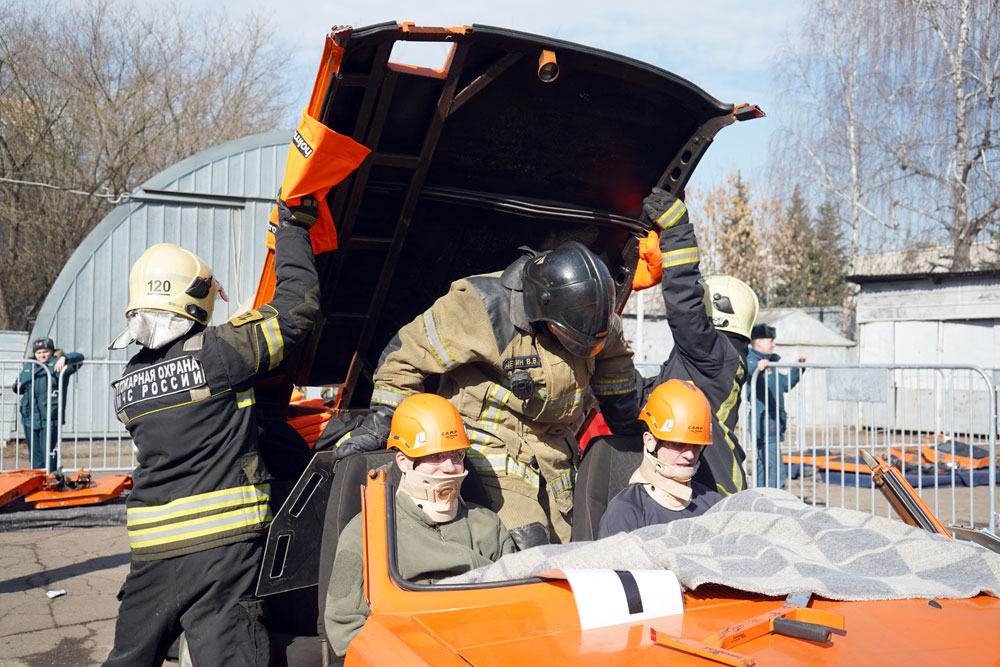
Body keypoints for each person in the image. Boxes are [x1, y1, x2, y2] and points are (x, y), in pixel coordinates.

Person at [102, 193, 321, 667]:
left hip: (152, 552)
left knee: (128, 658)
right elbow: (297, 307)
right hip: (223, 552)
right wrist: (293, 229)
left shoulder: (126, 384)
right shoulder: (221, 353)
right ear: (196, 298)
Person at [332, 242, 642, 544]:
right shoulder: (481, 307)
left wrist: (629, 426)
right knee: (527, 551)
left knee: (581, 551)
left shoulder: (594, 316)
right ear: (543, 305)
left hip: (555, 455)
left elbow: (617, 374)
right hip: (488, 451)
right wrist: (386, 420)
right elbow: (404, 359)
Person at [324, 393, 517, 657]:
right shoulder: (365, 532)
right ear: (404, 462)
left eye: (457, 455)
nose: (450, 468)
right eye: (436, 457)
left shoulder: (487, 525)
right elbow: (344, 628)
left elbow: (518, 606)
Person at [640, 187, 759, 496]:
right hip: (704, 487)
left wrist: (677, 231)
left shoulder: (714, 356)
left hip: (713, 493)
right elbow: (646, 400)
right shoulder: (704, 367)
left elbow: (683, 306)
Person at [598, 379, 723, 538]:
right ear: (650, 442)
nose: (690, 455)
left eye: (697, 445)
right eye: (678, 444)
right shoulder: (626, 511)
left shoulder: (715, 505)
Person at [747, 322, 805, 489]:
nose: (774, 344)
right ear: (758, 342)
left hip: (773, 422)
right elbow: (748, 369)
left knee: (765, 464)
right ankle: (775, 498)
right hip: (764, 422)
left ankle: (761, 496)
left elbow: (785, 385)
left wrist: (796, 370)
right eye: (770, 340)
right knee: (772, 466)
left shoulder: (770, 364)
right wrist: (757, 367)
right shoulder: (751, 360)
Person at [13, 337, 84, 472]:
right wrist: (18, 385)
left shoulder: (59, 365)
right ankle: (37, 479)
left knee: (48, 452)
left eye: (45, 351)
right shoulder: (28, 367)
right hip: (29, 417)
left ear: (52, 351)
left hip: (50, 417)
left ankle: (51, 477)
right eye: (39, 353)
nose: (42, 355)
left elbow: (80, 358)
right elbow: (17, 386)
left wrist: (65, 358)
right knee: (34, 453)